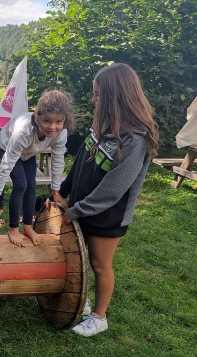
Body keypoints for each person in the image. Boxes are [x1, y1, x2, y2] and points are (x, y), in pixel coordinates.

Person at [49, 63, 158, 337]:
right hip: (81, 208)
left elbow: (114, 188)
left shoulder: (136, 138)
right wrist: (62, 189)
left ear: (115, 95)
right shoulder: (101, 124)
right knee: (77, 257)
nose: (94, 98)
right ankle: (82, 303)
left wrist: (75, 210)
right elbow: (82, 164)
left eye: (98, 94)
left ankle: (99, 317)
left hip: (108, 214)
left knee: (99, 264)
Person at [0, 90, 75, 247]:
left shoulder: (61, 133)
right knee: (21, 184)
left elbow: (58, 160)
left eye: (58, 121)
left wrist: (56, 191)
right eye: (46, 121)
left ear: (64, 120)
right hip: (9, 145)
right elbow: (7, 164)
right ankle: (13, 228)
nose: (52, 127)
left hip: (29, 152)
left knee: (31, 186)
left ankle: (28, 227)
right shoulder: (24, 132)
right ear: (36, 116)